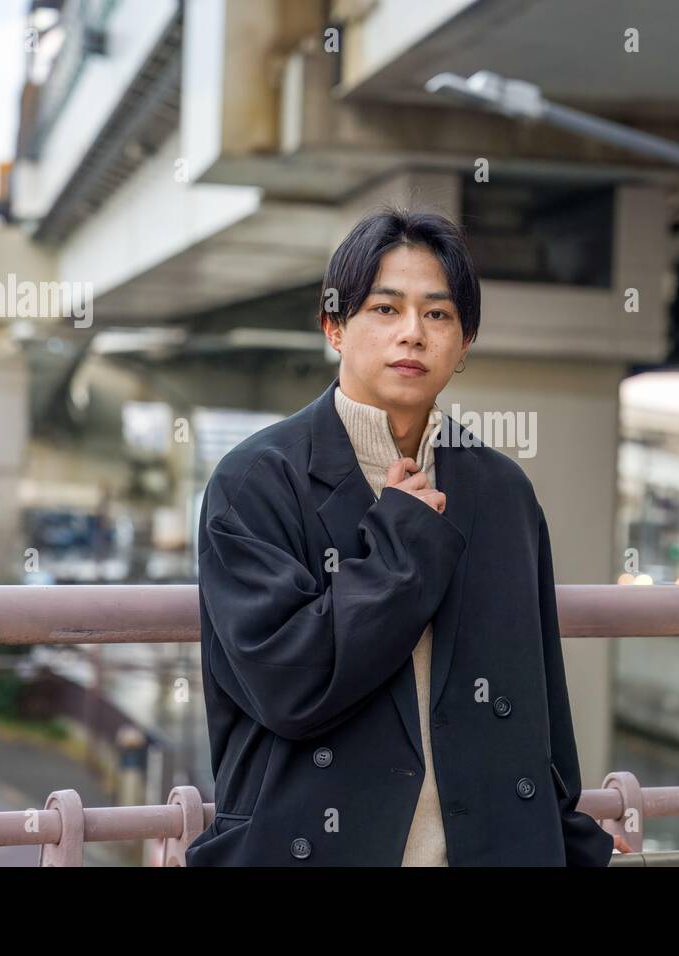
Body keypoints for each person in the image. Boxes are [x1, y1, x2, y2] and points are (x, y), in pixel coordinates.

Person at [186, 205, 629, 865]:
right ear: (334, 327)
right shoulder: (256, 481)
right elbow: (291, 687)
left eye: (439, 314)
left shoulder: (501, 492)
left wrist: (568, 840)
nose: (413, 335)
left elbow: (537, 707)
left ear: (465, 342)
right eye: (385, 310)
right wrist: (400, 535)